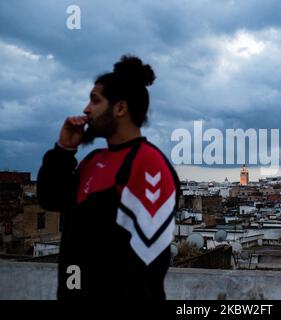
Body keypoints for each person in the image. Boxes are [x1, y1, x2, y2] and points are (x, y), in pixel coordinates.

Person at [37, 55, 180, 299]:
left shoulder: (148, 165)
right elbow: (51, 199)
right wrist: (64, 150)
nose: (86, 109)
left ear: (120, 108)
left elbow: (149, 263)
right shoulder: (93, 161)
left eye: (95, 100)